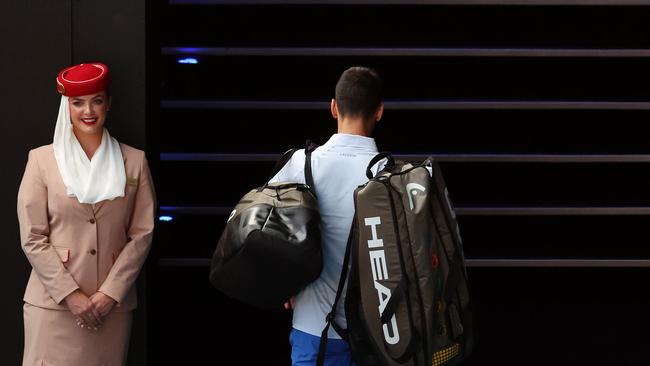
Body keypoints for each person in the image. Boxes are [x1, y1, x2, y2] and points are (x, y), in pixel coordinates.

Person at [17, 62, 155, 366]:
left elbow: (142, 234)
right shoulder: (41, 161)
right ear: (65, 107)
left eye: (96, 100)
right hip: (53, 306)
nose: (87, 110)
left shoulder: (133, 160)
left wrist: (110, 293)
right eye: (77, 102)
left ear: (108, 103)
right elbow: (32, 237)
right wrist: (70, 295)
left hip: (111, 306)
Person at [269, 66, 384, 366]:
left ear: (333, 107)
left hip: (312, 329)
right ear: (380, 111)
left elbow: (262, 233)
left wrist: (283, 283)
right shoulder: (390, 176)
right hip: (378, 338)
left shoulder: (300, 165)